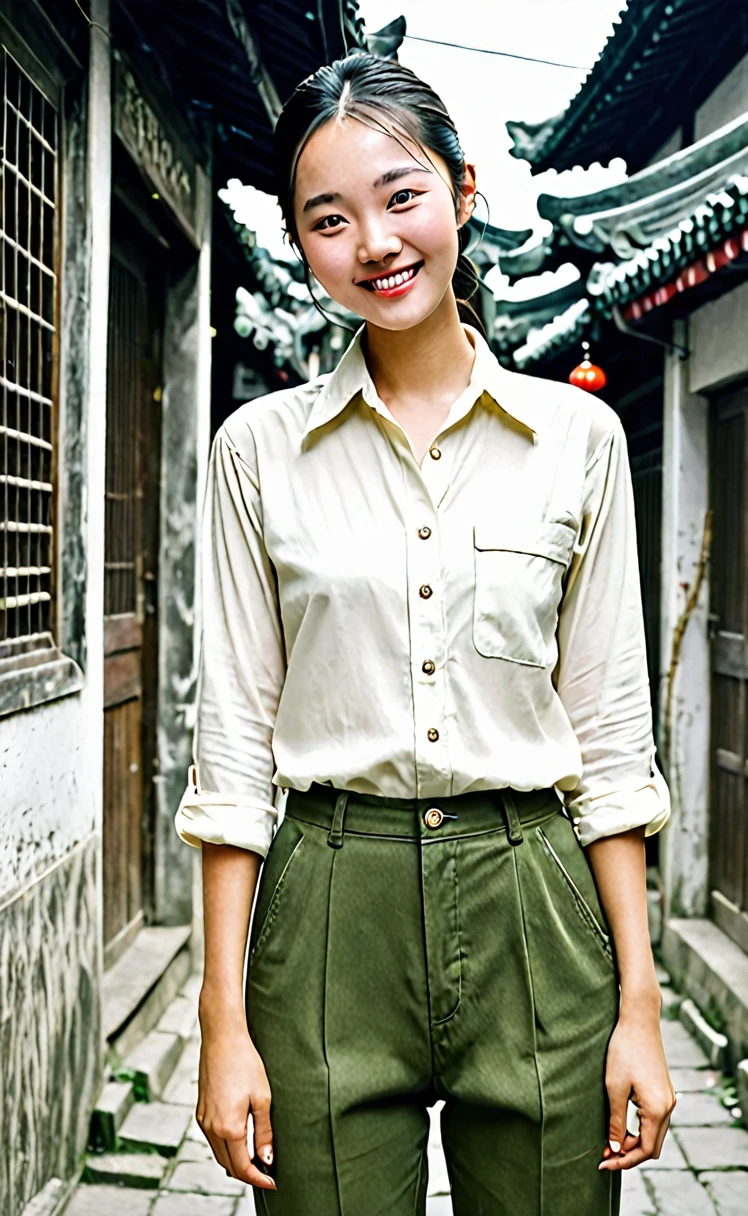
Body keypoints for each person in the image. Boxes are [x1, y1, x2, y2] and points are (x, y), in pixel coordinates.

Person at [175, 50, 676, 1216]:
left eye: (401, 196)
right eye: (329, 219)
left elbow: (607, 735)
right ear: (302, 245)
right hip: (328, 904)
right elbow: (237, 747)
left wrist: (639, 1007)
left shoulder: (578, 441)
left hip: (532, 896)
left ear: (462, 190)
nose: (376, 243)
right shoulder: (258, 450)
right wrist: (222, 1021)